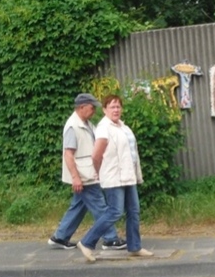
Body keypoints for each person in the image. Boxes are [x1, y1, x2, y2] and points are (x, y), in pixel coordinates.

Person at [76, 94, 153, 262]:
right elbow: (96, 155)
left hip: (128, 175)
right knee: (115, 211)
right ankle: (87, 242)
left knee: (133, 210)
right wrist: (99, 171)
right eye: (112, 107)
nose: (116, 110)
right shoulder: (104, 128)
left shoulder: (123, 126)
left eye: (118, 106)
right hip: (113, 176)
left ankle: (135, 247)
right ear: (104, 110)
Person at [47, 93, 127, 251]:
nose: (94, 111)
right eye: (92, 107)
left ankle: (60, 237)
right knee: (100, 206)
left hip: (88, 173)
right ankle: (110, 238)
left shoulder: (87, 124)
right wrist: (75, 177)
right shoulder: (73, 127)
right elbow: (68, 154)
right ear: (81, 107)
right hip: (84, 175)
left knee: (79, 206)